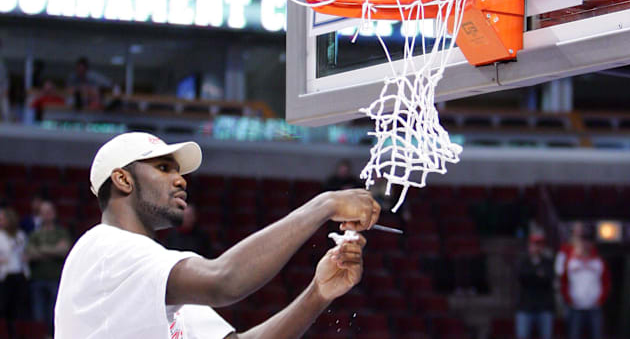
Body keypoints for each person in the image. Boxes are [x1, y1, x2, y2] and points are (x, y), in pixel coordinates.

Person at [55, 132, 381, 339]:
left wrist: (317, 294)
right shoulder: (104, 249)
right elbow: (224, 281)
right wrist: (323, 205)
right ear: (123, 180)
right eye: (164, 168)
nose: (181, 180)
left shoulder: (156, 278)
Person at [25, 201, 71, 338]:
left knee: (55, 314)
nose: (47, 214)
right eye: (44, 212)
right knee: (38, 316)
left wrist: (41, 250)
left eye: (49, 211)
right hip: (37, 280)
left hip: (55, 279)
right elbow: (29, 254)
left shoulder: (61, 232)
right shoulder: (34, 234)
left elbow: (63, 250)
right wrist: (53, 250)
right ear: (40, 215)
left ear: (54, 213)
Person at [560, 231, 610, 339]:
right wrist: (569, 299)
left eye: (588, 242)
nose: (585, 244)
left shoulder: (599, 262)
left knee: (597, 335)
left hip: (594, 307)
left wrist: (600, 299)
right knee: (574, 335)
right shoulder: (571, 261)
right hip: (576, 307)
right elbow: (564, 282)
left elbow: (606, 283)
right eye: (583, 242)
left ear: (592, 244)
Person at [516, 234, 555, 339]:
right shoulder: (522, 261)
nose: (537, 247)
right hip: (525, 306)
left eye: (539, 244)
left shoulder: (548, 262)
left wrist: (532, 276)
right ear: (529, 245)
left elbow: (548, 278)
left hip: (544, 307)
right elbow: (522, 277)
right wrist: (537, 274)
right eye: (534, 244)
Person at [0, 208, 30, 339]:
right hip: (4, 276)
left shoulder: (20, 236)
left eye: (2, 218)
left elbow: (24, 252)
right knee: (3, 307)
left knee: (16, 309)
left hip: (19, 275)